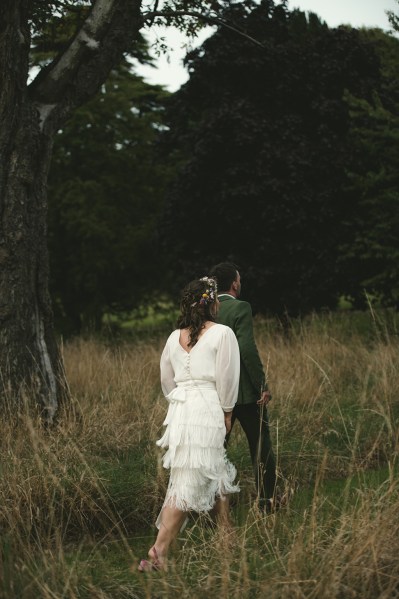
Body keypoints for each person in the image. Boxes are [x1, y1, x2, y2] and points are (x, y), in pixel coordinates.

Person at [138, 276, 240, 572]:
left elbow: (166, 381)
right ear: (211, 303)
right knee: (187, 482)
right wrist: (227, 411)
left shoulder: (173, 338)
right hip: (208, 407)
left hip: (181, 410)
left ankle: (226, 536)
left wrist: (181, 401)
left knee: (214, 468)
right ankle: (158, 552)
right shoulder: (223, 334)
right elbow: (228, 377)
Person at [209, 262, 277, 513]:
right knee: (261, 443)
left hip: (214, 393)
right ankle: (266, 502)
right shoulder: (240, 307)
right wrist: (262, 385)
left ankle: (208, 506)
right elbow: (246, 348)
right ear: (234, 283)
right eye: (239, 279)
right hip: (245, 393)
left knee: (215, 449)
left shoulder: (206, 309)